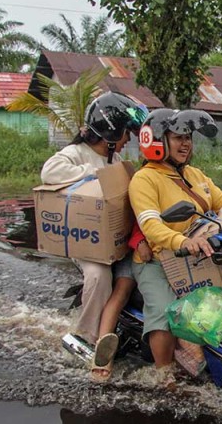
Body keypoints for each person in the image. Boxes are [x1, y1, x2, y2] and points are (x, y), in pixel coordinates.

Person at [128, 108, 222, 369]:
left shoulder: (194, 175)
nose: (186, 143)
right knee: (164, 311)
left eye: (188, 137)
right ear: (157, 140)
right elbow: (151, 225)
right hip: (158, 260)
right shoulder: (144, 179)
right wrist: (183, 242)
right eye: (178, 137)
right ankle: (163, 374)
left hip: (198, 255)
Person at [40, 91, 147, 381]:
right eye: (126, 133)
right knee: (100, 277)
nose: (129, 140)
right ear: (112, 134)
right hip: (88, 244)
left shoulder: (115, 157)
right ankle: (85, 338)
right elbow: (49, 172)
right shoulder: (77, 155)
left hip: (117, 240)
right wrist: (96, 174)